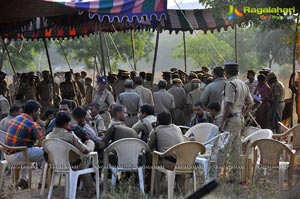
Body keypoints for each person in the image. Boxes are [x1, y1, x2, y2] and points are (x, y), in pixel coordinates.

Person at [219, 62, 253, 183]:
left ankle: (216, 176)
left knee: (222, 148)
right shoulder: (243, 84)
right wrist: (244, 113)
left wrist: (222, 122)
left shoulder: (230, 84)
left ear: (226, 72)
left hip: (231, 119)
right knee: (236, 149)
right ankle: (235, 176)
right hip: (239, 118)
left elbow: (228, 104)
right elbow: (251, 102)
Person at [46, 111, 96, 194]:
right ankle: (91, 189)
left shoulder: (48, 136)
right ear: (66, 124)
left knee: (79, 163)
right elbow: (85, 150)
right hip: (74, 164)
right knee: (90, 143)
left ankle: (89, 189)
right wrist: (89, 144)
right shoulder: (70, 136)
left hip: (56, 164)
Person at [4, 100, 46, 189]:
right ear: (34, 112)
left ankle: (23, 180)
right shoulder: (32, 124)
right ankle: (44, 183)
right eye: (38, 111)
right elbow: (44, 142)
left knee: (28, 150)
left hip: (7, 155)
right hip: (18, 155)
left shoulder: (15, 119)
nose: (39, 114)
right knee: (46, 154)